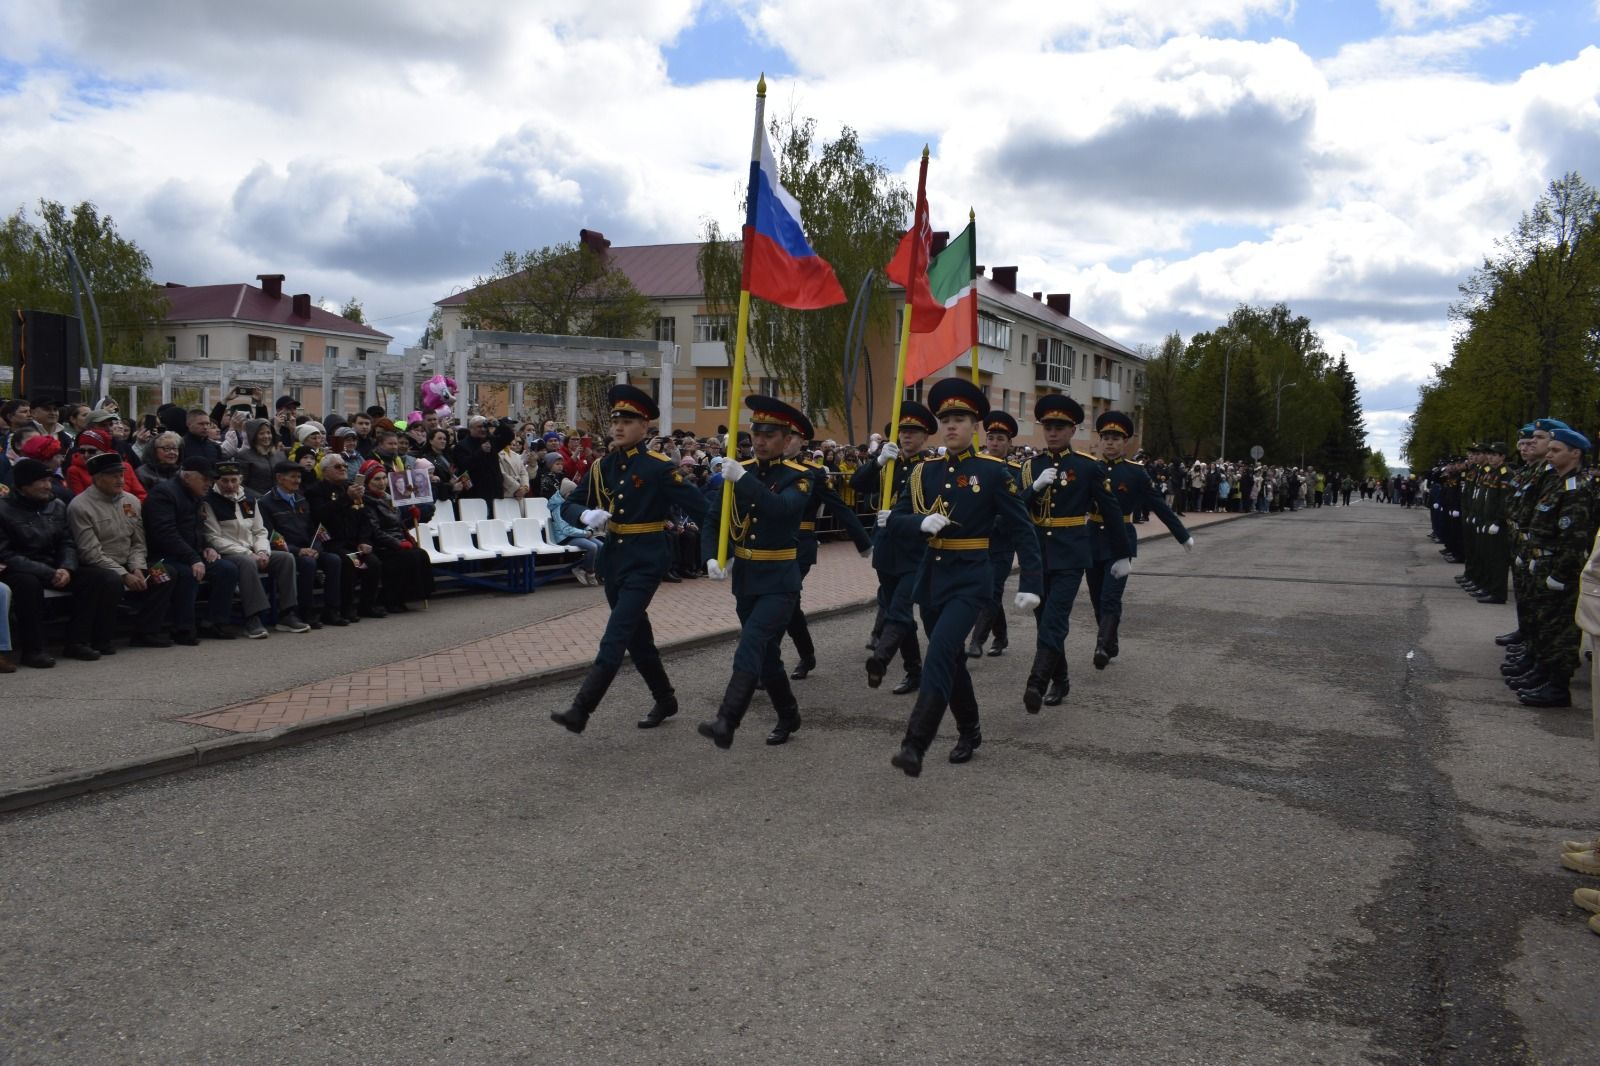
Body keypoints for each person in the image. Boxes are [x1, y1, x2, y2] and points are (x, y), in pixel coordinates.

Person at [882, 379, 1044, 777]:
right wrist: (922, 522)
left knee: (938, 653)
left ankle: (914, 744)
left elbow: (1022, 527)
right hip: (932, 578)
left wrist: (1032, 584)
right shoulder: (923, 472)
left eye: (960, 419)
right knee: (950, 661)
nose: (952, 426)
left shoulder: (992, 472)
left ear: (975, 426)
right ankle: (970, 730)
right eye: (947, 420)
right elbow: (896, 521)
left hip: (971, 578)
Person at [550, 385, 708, 734]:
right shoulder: (602, 466)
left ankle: (581, 709)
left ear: (645, 426)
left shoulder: (659, 468)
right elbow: (569, 504)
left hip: (647, 558)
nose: (619, 427)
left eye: (628, 420)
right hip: (614, 559)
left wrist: (716, 553)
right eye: (616, 420)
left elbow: (704, 508)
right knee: (638, 639)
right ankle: (665, 698)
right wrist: (584, 515)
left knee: (616, 636)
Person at [695, 396, 812, 749]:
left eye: (769, 435)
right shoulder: (739, 471)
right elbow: (715, 520)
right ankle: (789, 713)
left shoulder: (800, 478)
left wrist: (743, 478)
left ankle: (727, 719)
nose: (760, 441)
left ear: (786, 439)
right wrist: (713, 557)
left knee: (752, 643)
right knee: (767, 658)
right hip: (746, 577)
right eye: (756, 433)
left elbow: (779, 509)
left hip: (779, 579)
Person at [1020, 394, 1127, 711]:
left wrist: (1122, 554)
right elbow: (1013, 509)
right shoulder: (1030, 468)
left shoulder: (1087, 467)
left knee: (1054, 620)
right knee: (1044, 622)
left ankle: (1037, 682)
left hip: (1071, 555)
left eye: (1059, 427)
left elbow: (1110, 511)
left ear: (1072, 430)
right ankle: (1061, 679)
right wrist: (1034, 488)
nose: (1052, 432)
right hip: (1038, 556)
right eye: (1048, 427)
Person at [1086, 411, 1194, 670]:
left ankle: (1101, 645)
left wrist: (1182, 535)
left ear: (1125, 443)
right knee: (1096, 596)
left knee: (1110, 597)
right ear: (1100, 441)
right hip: (1091, 539)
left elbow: (1159, 505)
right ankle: (1110, 641)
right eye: (1106, 438)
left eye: (1116, 438)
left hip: (1120, 541)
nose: (1110, 443)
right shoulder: (1091, 468)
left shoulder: (1135, 473)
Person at [0, 457, 124, 664]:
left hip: (55, 565)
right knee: (27, 586)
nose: (48, 486)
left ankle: (79, 641)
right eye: (41, 482)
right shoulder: (4, 510)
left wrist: (67, 567)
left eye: (49, 481)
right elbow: (6, 554)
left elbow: (67, 541)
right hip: (21, 568)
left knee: (104, 579)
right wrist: (48, 572)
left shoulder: (55, 505)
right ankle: (34, 649)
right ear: (23, 485)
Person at [854, 403, 937, 695]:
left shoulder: (931, 467)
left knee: (899, 609)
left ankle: (881, 659)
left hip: (915, 549)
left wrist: (907, 521)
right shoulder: (889, 462)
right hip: (886, 548)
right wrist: (876, 463)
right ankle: (914, 672)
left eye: (913, 432)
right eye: (903, 431)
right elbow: (856, 485)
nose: (906, 436)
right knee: (899, 615)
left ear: (925, 436)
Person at [1507, 428, 1592, 708]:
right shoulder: (1555, 482)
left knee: (1560, 630)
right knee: (1544, 623)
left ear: (1575, 453)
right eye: (1551, 449)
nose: (1551, 455)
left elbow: (1575, 537)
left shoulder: (1576, 488)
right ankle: (1543, 673)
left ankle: (1558, 687)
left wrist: (1560, 573)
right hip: (1543, 560)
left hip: (1559, 567)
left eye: (1556, 451)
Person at [780, 417, 871, 680]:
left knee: (783, 601)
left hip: (800, 545)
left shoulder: (813, 472)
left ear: (802, 442)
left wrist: (862, 540)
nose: (785, 441)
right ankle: (806, 655)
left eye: (792, 437)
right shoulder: (764, 469)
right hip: (770, 547)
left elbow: (839, 507)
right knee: (786, 605)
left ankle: (773, 662)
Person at [66, 451, 176, 652]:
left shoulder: (131, 501)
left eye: (121, 475)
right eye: (114, 476)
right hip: (98, 566)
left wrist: (137, 568)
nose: (120, 480)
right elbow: (90, 551)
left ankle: (146, 631)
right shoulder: (81, 506)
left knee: (165, 573)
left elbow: (138, 541)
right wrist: (124, 574)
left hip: (130, 562)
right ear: (98, 478)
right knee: (111, 581)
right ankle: (101, 638)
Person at [143, 457, 242, 644]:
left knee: (226, 569)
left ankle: (212, 622)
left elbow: (197, 528)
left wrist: (207, 547)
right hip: (163, 556)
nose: (209, 484)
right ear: (187, 476)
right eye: (205, 479)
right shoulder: (164, 494)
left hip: (190, 553)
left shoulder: (195, 495)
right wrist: (193, 557)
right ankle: (183, 628)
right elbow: (165, 533)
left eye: (211, 480)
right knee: (187, 573)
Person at [202, 461, 307, 637]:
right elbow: (213, 538)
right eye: (225, 481)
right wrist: (249, 554)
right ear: (217, 481)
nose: (230, 485)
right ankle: (253, 617)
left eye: (234, 480)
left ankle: (287, 613)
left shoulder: (250, 498)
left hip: (254, 550)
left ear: (240, 480)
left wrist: (262, 551)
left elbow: (260, 530)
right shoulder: (209, 501)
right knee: (247, 563)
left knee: (285, 558)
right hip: (229, 553)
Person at [966, 410, 1024, 659]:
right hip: (977, 541)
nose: (995, 443)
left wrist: (992, 521)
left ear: (1010, 443)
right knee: (985, 589)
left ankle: (977, 640)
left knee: (992, 590)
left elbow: (1018, 505)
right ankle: (1001, 635)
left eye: (1001, 439)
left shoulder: (1017, 471)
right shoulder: (976, 467)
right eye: (991, 438)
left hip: (1002, 540)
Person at [259, 461, 343, 628]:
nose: (297, 481)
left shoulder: (301, 499)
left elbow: (314, 528)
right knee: (307, 563)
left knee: (334, 560)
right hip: (287, 551)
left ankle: (331, 610)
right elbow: (271, 535)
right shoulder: (266, 502)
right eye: (293, 477)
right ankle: (306, 611)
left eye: (299, 477)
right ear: (279, 478)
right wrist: (298, 551)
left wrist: (315, 548)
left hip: (309, 547)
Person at [358, 461, 434, 612]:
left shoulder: (388, 498)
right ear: (367, 482)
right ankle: (391, 599)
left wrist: (412, 518)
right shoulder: (365, 502)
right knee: (405, 556)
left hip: (395, 540)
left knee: (421, 554)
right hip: (380, 544)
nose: (382, 483)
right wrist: (397, 543)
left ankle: (409, 596)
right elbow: (376, 531)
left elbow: (397, 524)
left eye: (384, 478)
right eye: (377, 479)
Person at [548, 477, 601, 586]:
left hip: (579, 534)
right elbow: (565, 529)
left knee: (601, 545)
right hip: (565, 538)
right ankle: (589, 572)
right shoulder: (557, 509)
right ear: (567, 493)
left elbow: (581, 522)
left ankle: (590, 569)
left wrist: (589, 530)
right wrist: (585, 533)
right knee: (593, 547)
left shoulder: (572, 505)